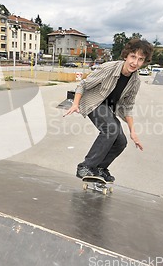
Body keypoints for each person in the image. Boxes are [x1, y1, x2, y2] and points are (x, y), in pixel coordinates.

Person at [65, 38, 154, 182]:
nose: (134, 63)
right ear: (126, 55)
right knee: (111, 128)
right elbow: (83, 84)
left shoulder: (135, 81)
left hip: (108, 109)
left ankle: (99, 168)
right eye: (133, 57)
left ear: (144, 62)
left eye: (140, 59)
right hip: (93, 102)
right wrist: (75, 104)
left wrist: (133, 132)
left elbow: (128, 107)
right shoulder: (109, 68)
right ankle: (86, 166)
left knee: (121, 141)